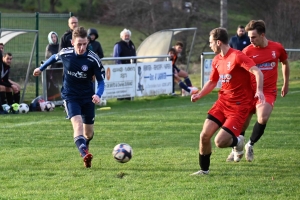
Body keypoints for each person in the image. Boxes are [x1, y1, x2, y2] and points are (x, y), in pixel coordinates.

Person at [190, 27, 265, 175]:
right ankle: (204, 171)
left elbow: (257, 71)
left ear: (218, 42)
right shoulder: (217, 60)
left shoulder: (237, 56)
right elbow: (212, 82)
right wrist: (199, 95)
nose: (209, 45)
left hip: (239, 106)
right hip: (222, 103)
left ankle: (238, 142)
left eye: (210, 42)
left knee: (220, 142)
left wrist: (260, 90)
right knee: (204, 135)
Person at [33, 26, 106, 168]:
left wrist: (98, 94)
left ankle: (85, 146)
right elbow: (54, 57)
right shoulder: (66, 53)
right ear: (72, 42)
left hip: (88, 97)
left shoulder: (93, 59)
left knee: (89, 133)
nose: (82, 47)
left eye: (85, 44)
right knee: (77, 124)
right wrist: (40, 68)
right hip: (70, 96)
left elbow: (101, 81)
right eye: (79, 44)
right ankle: (85, 153)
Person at [226, 20, 290, 162]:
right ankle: (237, 148)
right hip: (249, 91)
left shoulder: (277, 48)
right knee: (243, 123)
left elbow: (285, 63)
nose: (250, 40)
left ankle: (250, 145)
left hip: (267, 91)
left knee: (262, 118)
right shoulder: (247, 51)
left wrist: (286, 83)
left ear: (262, 35)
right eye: (249, 37)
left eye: (253, 37)